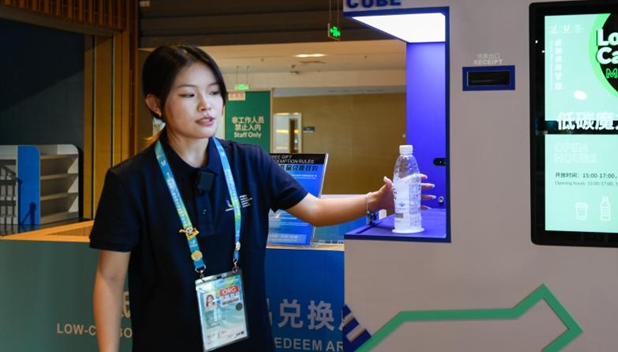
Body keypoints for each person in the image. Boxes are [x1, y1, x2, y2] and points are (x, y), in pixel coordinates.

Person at [90, 44, 433, 352]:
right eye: (187, 95)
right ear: (155, 103)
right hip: (166, 342)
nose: (206, 105)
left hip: (246, 339)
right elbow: (110, 277)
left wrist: (377, 200)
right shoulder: (130, 181)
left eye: (213, 92)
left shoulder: (249, 161)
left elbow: (313, 209)